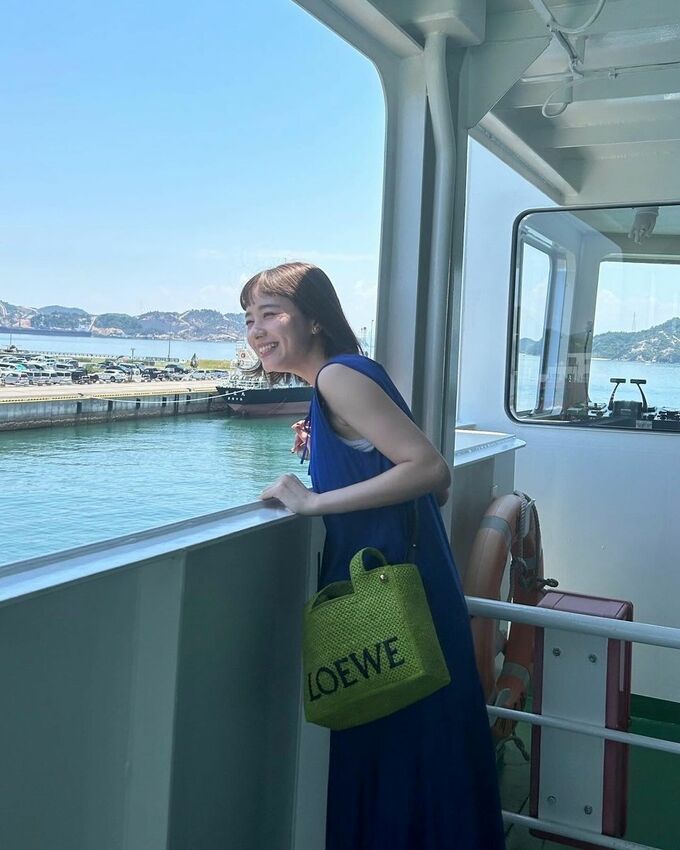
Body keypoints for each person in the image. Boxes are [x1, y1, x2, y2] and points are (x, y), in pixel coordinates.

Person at [242, 262, 506, 850]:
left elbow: (431, 470)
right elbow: (431, 488)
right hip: (410, 586)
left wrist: (314, 501)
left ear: (314, 319)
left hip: (384, 598)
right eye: (250, 318)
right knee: (425, 749)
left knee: (390, 742)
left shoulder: (338, 378)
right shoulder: (344, 379)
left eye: (271, 314)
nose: (257, 331)